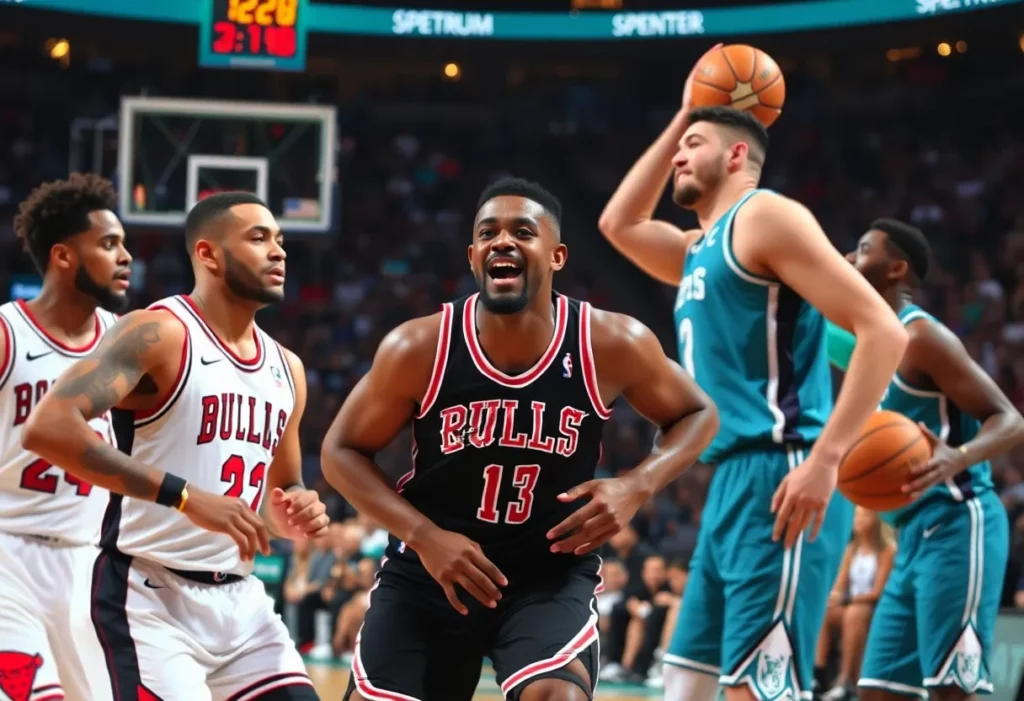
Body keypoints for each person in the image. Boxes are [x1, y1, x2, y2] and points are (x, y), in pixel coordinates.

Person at [321, 177, 720, 701]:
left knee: (557, 698)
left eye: (523, 232)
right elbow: (340, 451)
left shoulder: (610, 342)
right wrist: (423, 536)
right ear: (472, 257)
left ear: (556, 256)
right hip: (431, 573)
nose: (502, 241)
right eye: (488, 233)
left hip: (546, 575)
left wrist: (637, 486)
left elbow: (699, 413)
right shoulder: (419, 346)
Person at [596, 49, 910, 701]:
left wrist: (826, 460)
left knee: (758, 690)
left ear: (737, 155)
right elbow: (617, 223)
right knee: (684, 683)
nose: (678, 156)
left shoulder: (766, 216)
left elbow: (884, 331)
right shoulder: (693, 249)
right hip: (730, 480)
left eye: (694, 145)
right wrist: (689, 111)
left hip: (783, 470)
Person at [22, 192, 330, 701]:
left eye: (280, 240)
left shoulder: (287, 368)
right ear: (207, 254)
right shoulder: (160, 332)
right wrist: (186, 497)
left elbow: (279, 496)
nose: (278, 252)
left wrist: (296, 510)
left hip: (241, 601)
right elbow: (50, 427)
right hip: (145, 596)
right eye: (258, 238)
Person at [829, 218, 1022, 701]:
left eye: (863, 248)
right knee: (877, 692)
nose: (851, 258)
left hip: (959, 522)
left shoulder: (923, 339)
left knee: (950, 691)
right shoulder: (872, 345)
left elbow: (1009, 419)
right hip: (911, 535)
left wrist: (959, 455)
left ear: (896, 268)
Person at [0, 174, 130, 701]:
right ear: (62, 256)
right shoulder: (9, 332)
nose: (125, 257)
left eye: (124, 245)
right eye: (108, 244)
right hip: (8, 554)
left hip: (88, 565)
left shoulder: (124, 345)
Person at [814, 507, 895, 701]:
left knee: (855, 613)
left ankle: (846, 681)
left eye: (864, 516)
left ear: (877, 520)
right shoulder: (852, 549)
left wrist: (847, 600)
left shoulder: (887, 550)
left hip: (871, 608)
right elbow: (840, 586)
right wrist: (834, 597)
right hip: (851, 604)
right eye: (856, 516)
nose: (858, 520)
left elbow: (877, 593)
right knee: (827, 611)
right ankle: (818, 674)